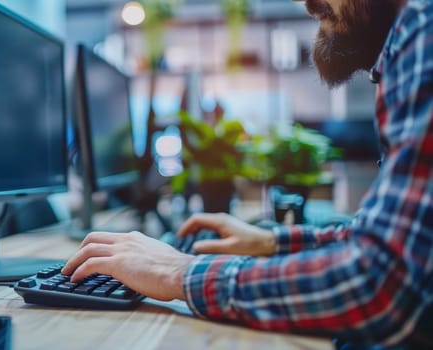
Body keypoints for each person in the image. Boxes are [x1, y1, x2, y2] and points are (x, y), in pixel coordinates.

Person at [61, 0, 433, 348]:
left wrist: (179, 272)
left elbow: (382, 285)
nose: (306, 3)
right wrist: (270, 243)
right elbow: (393, 243)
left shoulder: (423, 29)